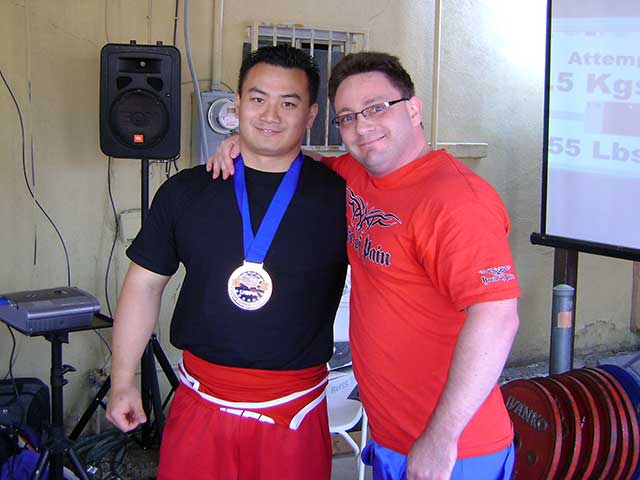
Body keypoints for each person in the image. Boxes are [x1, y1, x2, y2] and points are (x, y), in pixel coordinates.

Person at [208, 51, 521, 480]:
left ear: (413, 109)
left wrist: (442, 438)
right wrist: (242, 145)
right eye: (348, 116)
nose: (362, 126)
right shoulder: (358, 175)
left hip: (455, 451)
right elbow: (306, 162)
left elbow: (497, 316)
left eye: (376, 108)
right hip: (392, 437)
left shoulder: (456, 200)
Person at [106, 45, 348, 480]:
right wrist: (122, 379)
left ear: (311, 114)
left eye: (288, 103)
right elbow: (144, 284)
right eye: (258, 99)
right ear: (236, 105)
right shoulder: (185, 192)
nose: (270, 115)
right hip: (201, 401)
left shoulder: (342, 198)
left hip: (293, 410)